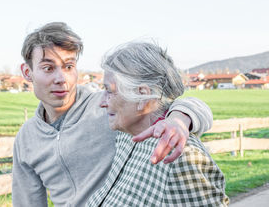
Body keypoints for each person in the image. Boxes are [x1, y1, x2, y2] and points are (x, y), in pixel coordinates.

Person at [12, 22, 213, 207]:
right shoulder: (26, 139)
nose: (61, 78)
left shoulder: (113, 108)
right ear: (27, 72)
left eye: (69, 66)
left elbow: (180, 102)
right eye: (48, 68)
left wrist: (179, 118)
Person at [86, 41, 229, 206]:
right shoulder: (126, 134)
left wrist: (182, 116)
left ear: (142, 95)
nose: (102, 102)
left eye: (109, 91)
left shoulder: (181, 155)